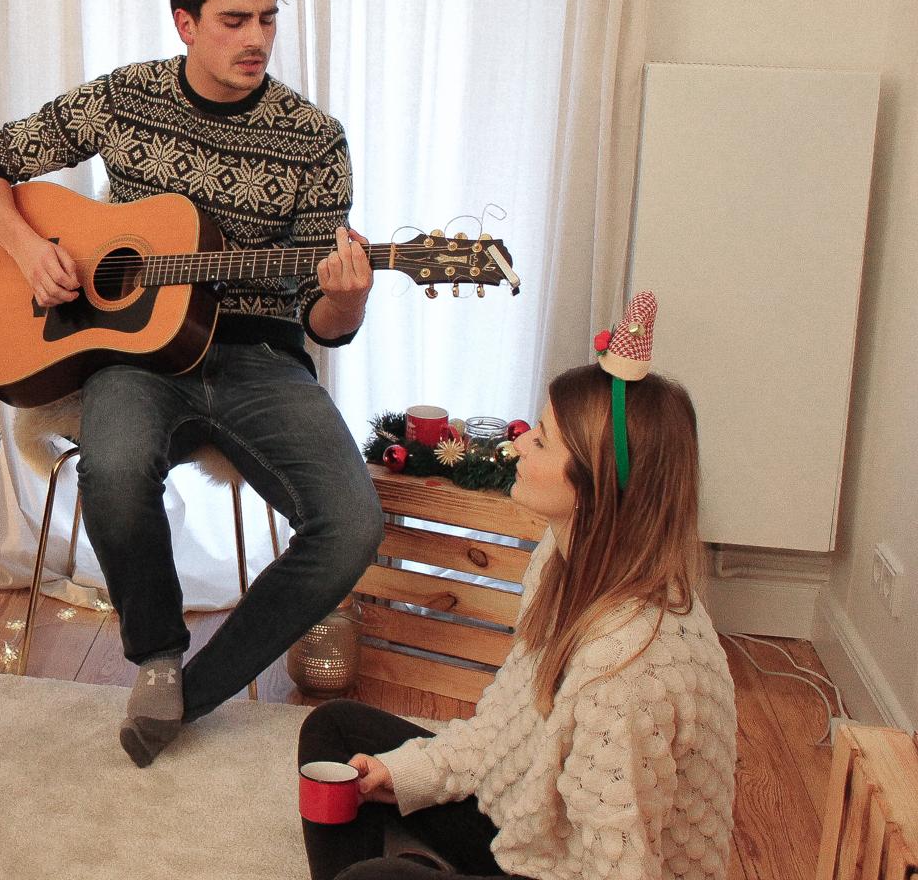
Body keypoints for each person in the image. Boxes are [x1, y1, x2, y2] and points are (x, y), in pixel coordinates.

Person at [0, 0, 383, 765]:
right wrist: (24, 249)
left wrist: (346, 297)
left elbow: (326, 324)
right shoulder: (127, 98)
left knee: (352, 525)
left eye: (267, 20)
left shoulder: (313, 138)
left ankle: (193, 687)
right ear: (185, 22)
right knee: (111, 466)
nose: (256, 38)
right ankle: (155, 650)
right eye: (233, 20)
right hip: (137, 352)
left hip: (259, 355)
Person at [296, 294, 737, 880]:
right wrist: (408, 776)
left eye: (544, 441)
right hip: (529, 817)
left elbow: (618, 869)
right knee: (335, 733)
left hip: (573, 868)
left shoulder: (627, 673)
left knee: (377, 879)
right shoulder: (562, 551)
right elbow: (505, 727)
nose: (520, 442)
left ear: (595, 484)